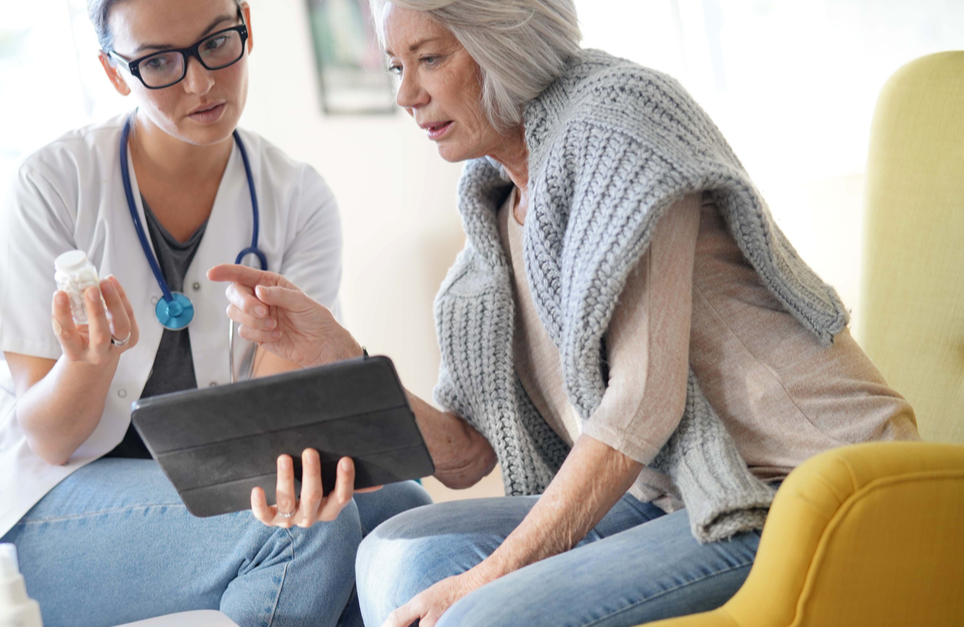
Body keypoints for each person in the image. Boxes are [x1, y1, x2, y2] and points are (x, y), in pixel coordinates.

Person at [210, 1, 920, 626]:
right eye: (396, 64)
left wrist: (485, 579)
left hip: (810, 480)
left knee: (482, 613)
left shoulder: (620, 120)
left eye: (429, 57)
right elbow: (466, 454)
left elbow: (641, 406)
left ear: (502, 43)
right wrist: (337, 350)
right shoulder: (496, 203)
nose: (406, 93)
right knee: (395, 551)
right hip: (674, 491)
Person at [0, 1, 431, 626]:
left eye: (217, 42)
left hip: (197, 481)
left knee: (408, 516)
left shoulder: (298, 199)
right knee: (303, 535)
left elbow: (272, 426)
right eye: (158, 61)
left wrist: (318, 463)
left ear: (247, 23)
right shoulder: (53, 182)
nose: (200, 82)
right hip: (33, 505)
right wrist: (91, 365)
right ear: (115, 73)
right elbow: (50, 440)